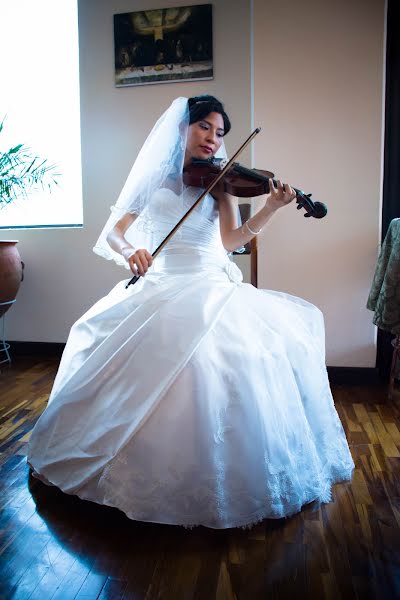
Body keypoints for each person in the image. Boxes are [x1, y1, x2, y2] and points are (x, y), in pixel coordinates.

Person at [27, 95, 354, 529]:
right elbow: (114, 232)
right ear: (182, 127)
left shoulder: (221, 183)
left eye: (220, 133)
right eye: (205, 127)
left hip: (211, 282)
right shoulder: (155, 181)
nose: (213, 139)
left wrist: (272, 208)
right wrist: (131, 251)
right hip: (163, 281)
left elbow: (231, 241)